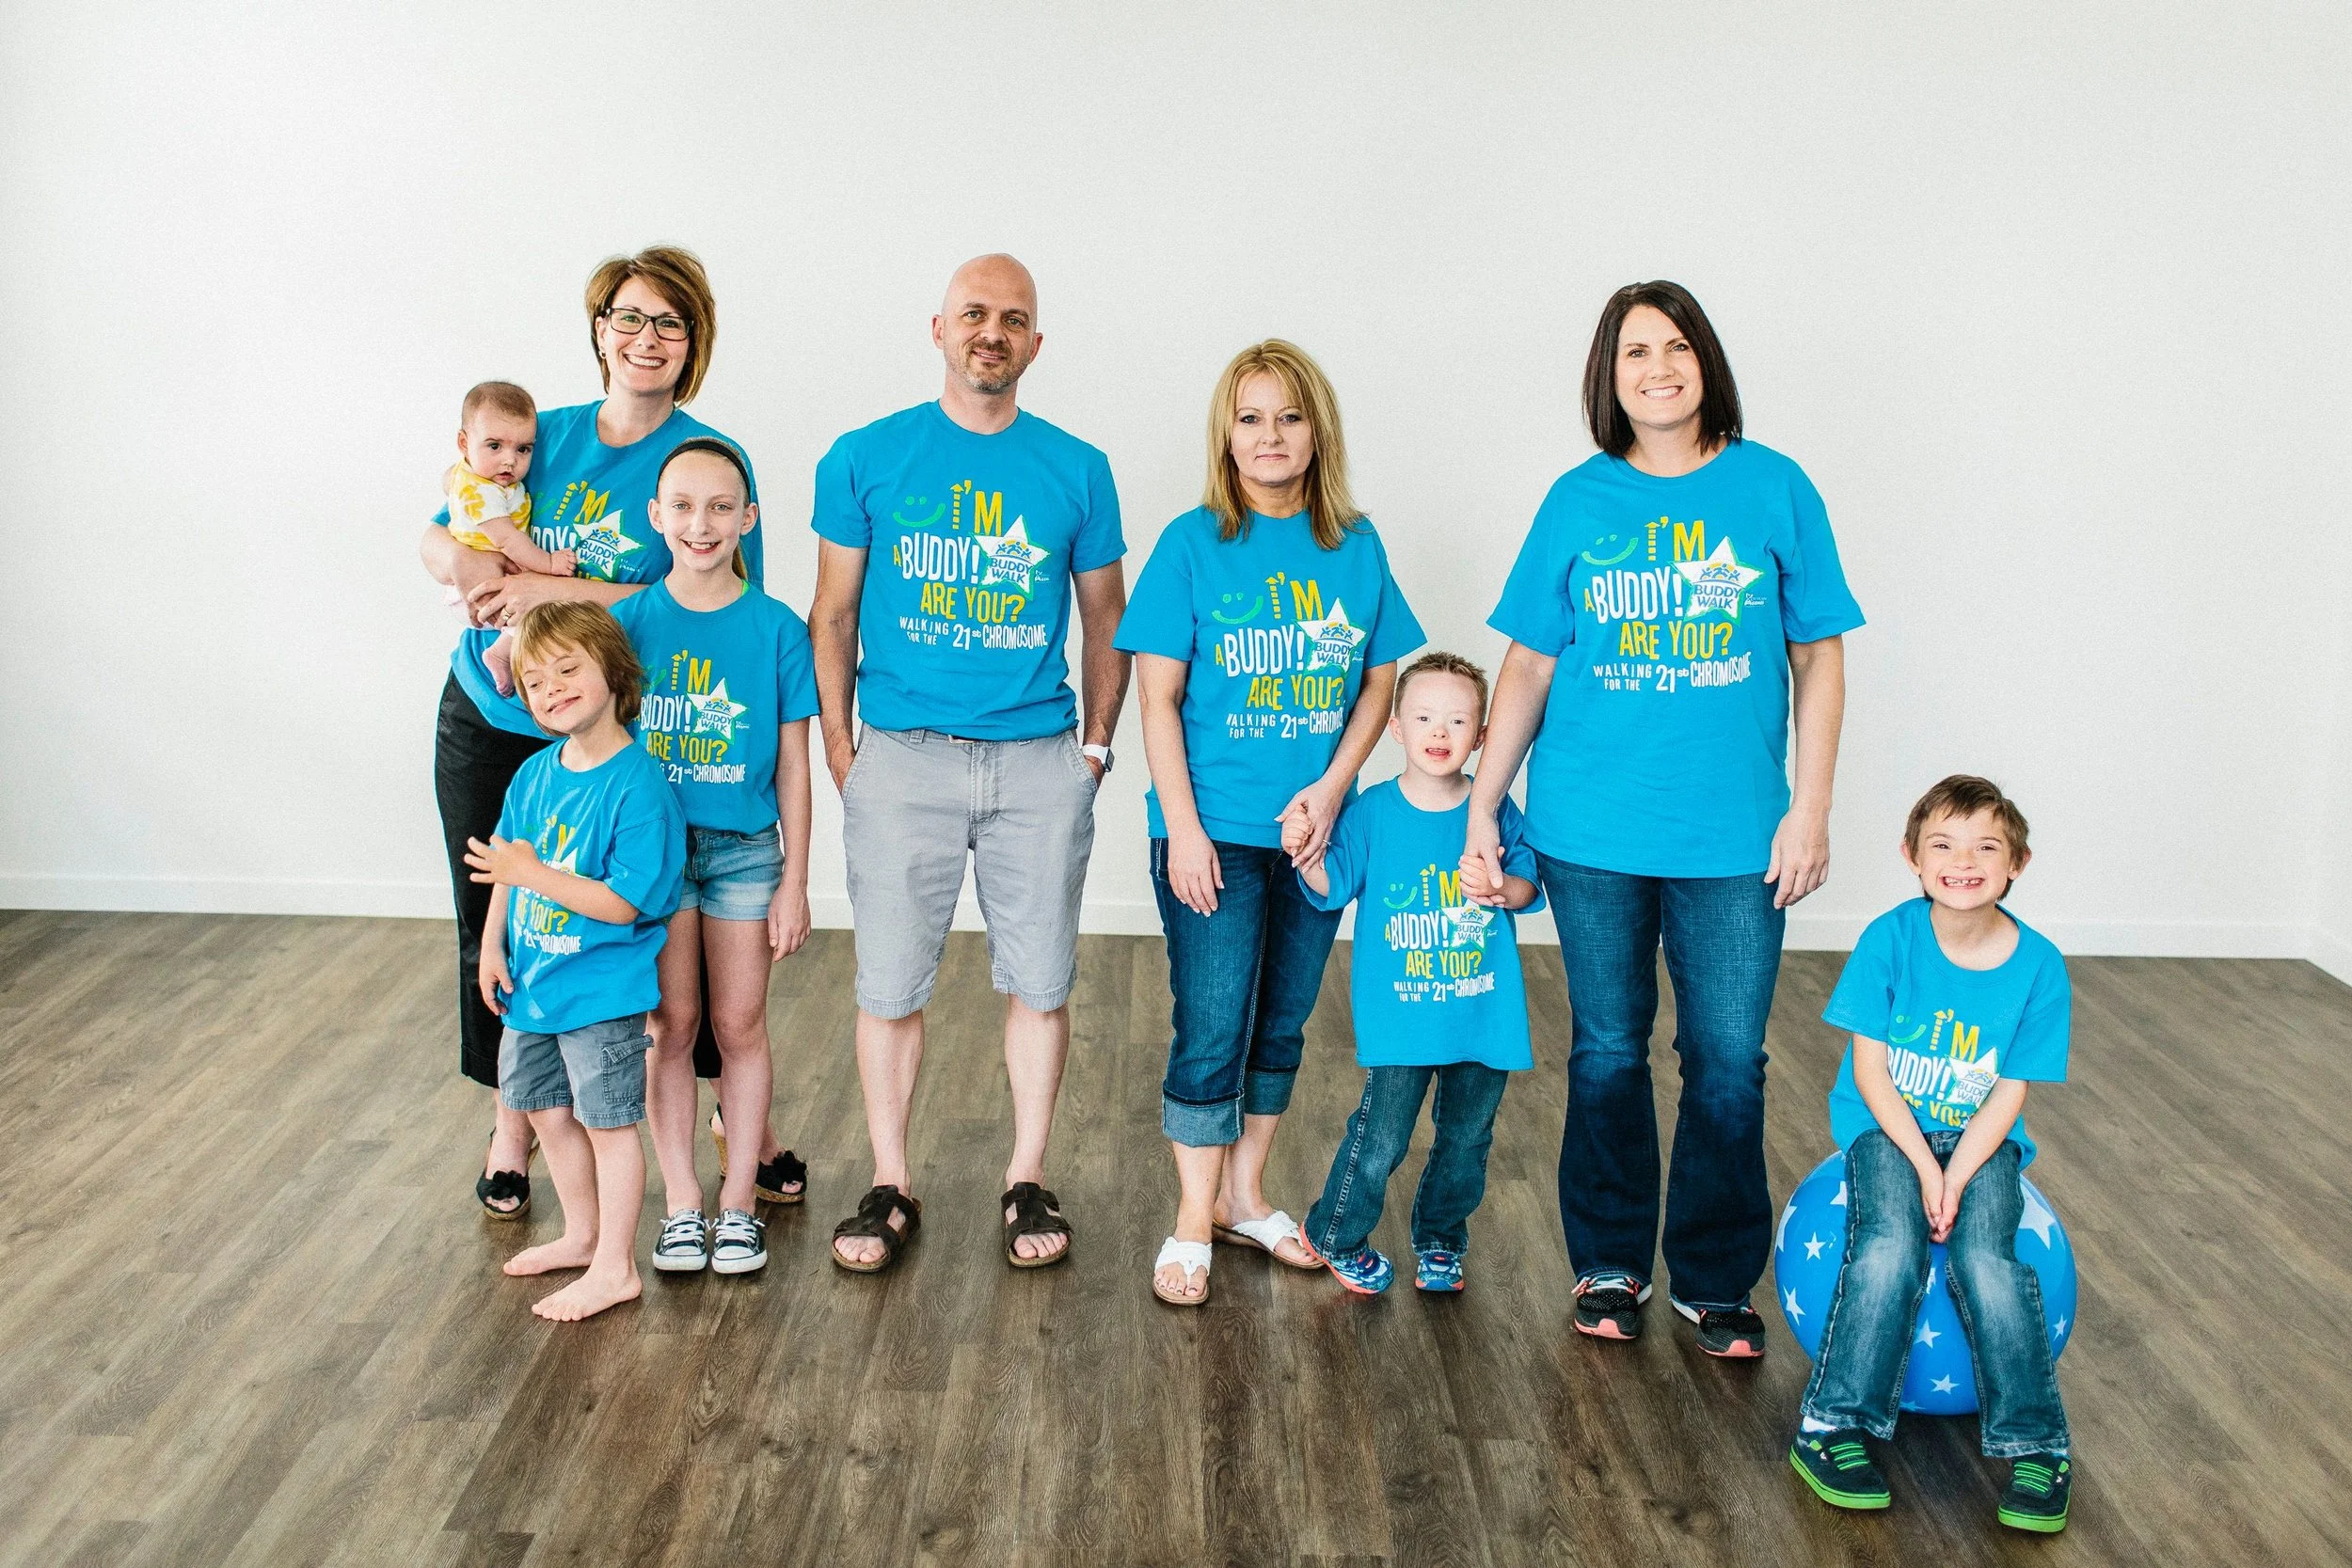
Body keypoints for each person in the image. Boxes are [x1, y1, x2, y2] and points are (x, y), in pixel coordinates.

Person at [1463, 280, 1863, 1355]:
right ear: (1610, 375)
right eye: (1635, 350)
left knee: (1728, 1058)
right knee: (1604, 1050)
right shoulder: (1576, 500)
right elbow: (1528, 663)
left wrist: (1810, 806)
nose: (1658, 366)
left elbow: (1819, 654)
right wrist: (1483, 806)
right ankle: (1606, 1262)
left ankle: (1718, 1275)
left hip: (1736, 837)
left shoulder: (1773, 488)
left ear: (1706, 361)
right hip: (1589, 830)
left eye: (1676, 345)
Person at [420, 246, 765, 1221]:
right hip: (491, 717)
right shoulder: (543, 435)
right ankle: (512, 1124)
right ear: (597, 324)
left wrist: (549, 585)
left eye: (669, 321)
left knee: (656, 930)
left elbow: (711, 599)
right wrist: (460, 563)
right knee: (498, 916)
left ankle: (734, 1124)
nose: (645, 337)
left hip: (621, 737)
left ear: (693, 340)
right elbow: (445, 529)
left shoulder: (709, 462)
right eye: (628, 316)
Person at [809, 254, 1128, 1273]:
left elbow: (1105, 616)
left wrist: (1093, 747)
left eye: (1014, 319)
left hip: (1039, 758)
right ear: (937, 328)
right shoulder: (864, 457)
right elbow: (833, 612)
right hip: (902, 757)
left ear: (1036, 343)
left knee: (1039, 981)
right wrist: (841, 748)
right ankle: (890, 1180)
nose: (992, 331)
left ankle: (1025, 1173)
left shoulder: (1077, 467)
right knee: (890, 983)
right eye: (974, 314)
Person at [1116, 340, 1422, 1306]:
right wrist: (1185, 827)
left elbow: (1382, 679)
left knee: (1282, 1021)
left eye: (1287, 415)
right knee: (1213, 1021)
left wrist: (1333, 790)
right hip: (1212, 832)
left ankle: (1246, 1193)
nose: (1269, 435)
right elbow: (1155, 698)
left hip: (1313, 835)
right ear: (1226, 434)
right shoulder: (1191, 542)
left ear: (1315, 429)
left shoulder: (1356, 545)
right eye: (1249, 417)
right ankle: (1190, 1214)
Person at [1789, 775, 2074, 1533]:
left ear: (2018, 861)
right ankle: (1833, 1424)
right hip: (1888, 1129)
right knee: (1889, 1242)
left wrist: (1959, 1171)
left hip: (1982, 1143)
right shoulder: (1891, 938)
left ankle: (2039, 1443)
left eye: (1987, 846)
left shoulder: (2041, 965)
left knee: (1988, 1259)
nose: (1963, 861)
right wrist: (1923, 1167)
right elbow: (1871, 1071)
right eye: (1943, 845)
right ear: (1913, 857)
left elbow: (2010, 1092)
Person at [612, 439, 818, 1277]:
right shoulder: (626, 624)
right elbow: (599, 751)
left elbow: (796, 765)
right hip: (655, 860)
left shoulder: (775, 628)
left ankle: (738, 1206)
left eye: (722, 508)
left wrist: (796, 879)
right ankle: (682, 1206)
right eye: (685, 507)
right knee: (672, 1028)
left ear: (748, 519)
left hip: (743, 856)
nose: (702, 525)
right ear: (657, 516)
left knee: (738, 1025)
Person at [1293, 653, 1539, 1296]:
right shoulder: (1373, 810)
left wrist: (1503, 887)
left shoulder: (1493, 810)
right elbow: (1332, 882)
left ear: (1482, 735)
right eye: (1425, 716)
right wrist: (1303, 851)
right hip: (1402, 1015)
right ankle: (1334, 1231)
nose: (1440, 731)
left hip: (1481, 1013)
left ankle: (1439, 1239)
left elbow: (1529, 883)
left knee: (1466, 1139)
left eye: (1458, 720)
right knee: (1380, 1139)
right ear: (1397, 727)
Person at [467, 601, 686, 1322]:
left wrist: (530, 877)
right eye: (536, 681)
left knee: (607, 1122)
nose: (554, 688)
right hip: (534, 987)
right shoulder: (533, 775)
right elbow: (507, 864)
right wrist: (494, 943)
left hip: (600, 992)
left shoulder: (640, 784)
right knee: (547, 1113)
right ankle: (583, 1234)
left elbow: (625, 904)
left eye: (569, 669)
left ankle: (616, 1265)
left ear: (612, 673)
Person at [441, 381, 571, 696]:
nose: (509, 461)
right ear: (464, 442)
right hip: (478, 589)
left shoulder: (474, 474)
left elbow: (448, 480)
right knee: (532, 607)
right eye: (495, 446)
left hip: (485, 578)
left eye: (523, 449)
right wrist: (549, 563)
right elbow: (508, 541)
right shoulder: (482, 491)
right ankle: (500, 651)